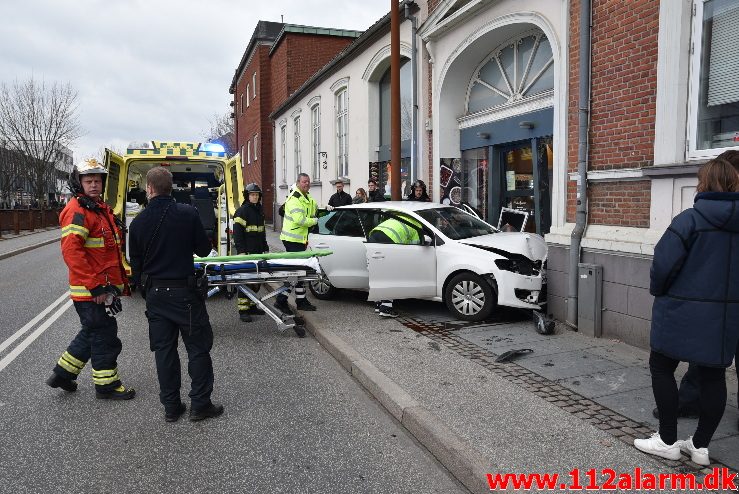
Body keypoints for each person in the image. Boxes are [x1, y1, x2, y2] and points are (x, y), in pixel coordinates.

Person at [634, 158, 739, 466]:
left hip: (679, 309)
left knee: (661, 367)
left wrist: (659, 291)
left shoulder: (690, 220)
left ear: (704, 183)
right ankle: (700, 447)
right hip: (722, 319)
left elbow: (663, 264)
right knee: (714, 376)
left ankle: (667, 439)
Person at [128, 167, 223, 423]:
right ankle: (200, 405)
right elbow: (203, 251)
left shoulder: (138, 223)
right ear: (172, 187)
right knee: (198, 349)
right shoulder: (188, 213)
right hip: (185, 294)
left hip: (156, 295)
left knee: (164, 351)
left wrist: (146, 289)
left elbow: (134, 266)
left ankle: (171, 407)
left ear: (149, 188)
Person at [46, 158, 135, 400]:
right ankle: (106, 386)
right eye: (89, 181)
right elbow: (72, 253)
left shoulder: (97, 208)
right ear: (80, 183)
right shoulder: (78, 211)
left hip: (100, 287)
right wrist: (96, 288)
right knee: (105, 336)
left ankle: (62, 374)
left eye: (98, 180)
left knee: (92, 331)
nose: (94, 184)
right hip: (92, 290)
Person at [276, 172, 318, 335]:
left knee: (299, 273)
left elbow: (314, 208)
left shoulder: (307, 197)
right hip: (292, 240)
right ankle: (281, 300)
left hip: (300, 240)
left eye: (308, 181)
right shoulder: (294, 199)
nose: (306, 184)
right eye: (303, 182)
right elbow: (301, 220)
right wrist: (315, 221)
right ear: (298, 183)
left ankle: (300, 301)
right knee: (296, 272)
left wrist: (323, 210)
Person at [367, 214, 424, 318]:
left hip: (374, 235)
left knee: (379, 273)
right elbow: (415, 244)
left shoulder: (401, 216)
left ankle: (378, 304)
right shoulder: (418, 225)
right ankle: (386, 308)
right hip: (389, 239)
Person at [233, 183, 268, 322]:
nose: (255, 197)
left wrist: (265, 247)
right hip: (247, 252)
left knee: (256, 280)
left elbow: (262, 232)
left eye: (257, 195)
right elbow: (237, 234)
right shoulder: (242, 211)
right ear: (247, 196)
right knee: (245, 280)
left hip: (259, 252)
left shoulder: (259, 211)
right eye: (252, 195)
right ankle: (243, 310)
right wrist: (241, 251)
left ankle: (252, 306)